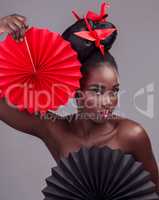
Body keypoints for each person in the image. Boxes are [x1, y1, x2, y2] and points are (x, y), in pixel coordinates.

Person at [0, 13, 159, 193]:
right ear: (76, 92)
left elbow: (155, 190)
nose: (109, 101)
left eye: (114, 91)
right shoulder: (56, 130)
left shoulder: (131, 135)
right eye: (97, 91)